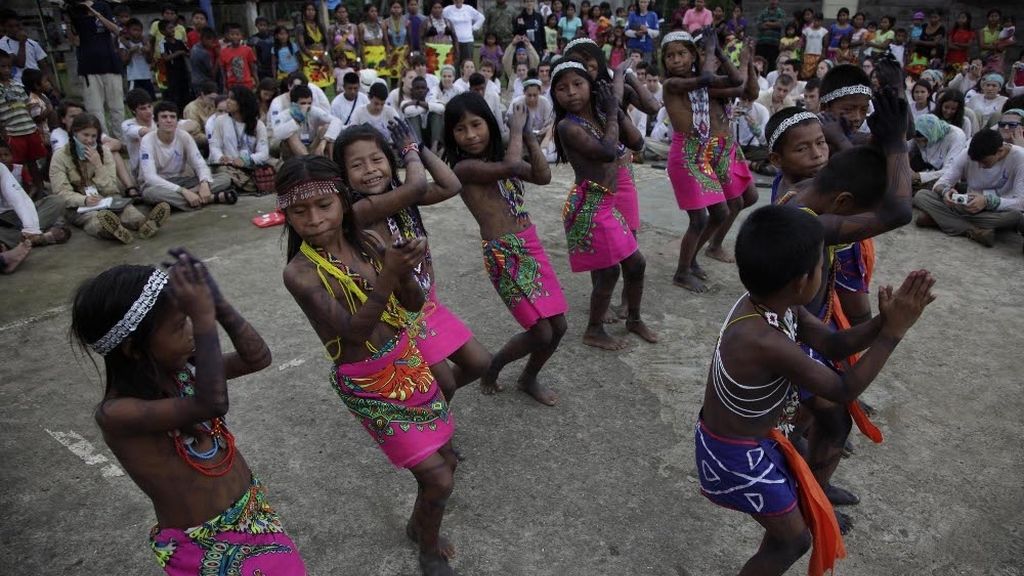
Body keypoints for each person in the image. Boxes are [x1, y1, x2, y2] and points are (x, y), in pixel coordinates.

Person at [696, 203, 934, 576]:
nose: (825, 274)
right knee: (794, 540)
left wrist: (882, 321)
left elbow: (833, 344)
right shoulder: (763, 339)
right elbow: (843, 388)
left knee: (786, 534)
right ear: (802, 281)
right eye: (823, 267)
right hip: (735, 456)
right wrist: (893, 334)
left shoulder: (774, 305)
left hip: (755, 443)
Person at [70, 254, 308, 575]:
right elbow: (211, 403)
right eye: (180, 325)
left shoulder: (185, 373)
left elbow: (257, 358)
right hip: (207, 545)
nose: (192, 332)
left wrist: (219, 303)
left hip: (252, 517)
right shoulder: (117, 413)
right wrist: (205, 318)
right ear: (133, 348)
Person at [279, 156, 457, 576]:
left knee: (445, 460)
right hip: (367, 382)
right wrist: (390, 275)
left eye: (324, 205)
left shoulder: (370, 242)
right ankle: (428, 551)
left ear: (342, 200)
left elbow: (413, 304)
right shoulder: (299, 273)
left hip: (407, 360)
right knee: (438, 479)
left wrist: (406, 266)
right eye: (300, 211)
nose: (315, 219)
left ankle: (419, 527)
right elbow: (354, 333)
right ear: (286, 215)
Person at [335, 121, 490, 403]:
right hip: (399, 317)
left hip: (429, 305)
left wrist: (419, 147)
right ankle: (433, 418)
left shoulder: (403, 198)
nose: (369, 169)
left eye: (376, 159)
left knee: (479, 363)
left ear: (389, 161)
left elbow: (451, 184)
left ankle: (425, 404)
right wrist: (410, 151)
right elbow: (417, 184)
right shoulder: (357, 212)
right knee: (445, 383)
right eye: (357, 165)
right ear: (343, 176)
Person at [443, 92, 567, 403]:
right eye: (460, 129)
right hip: (503, 254)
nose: (471, 135)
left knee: (559, 327)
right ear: (451, 135)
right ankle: (494, 366)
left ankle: (528, 378)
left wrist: (528, 136)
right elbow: (513, 165)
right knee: (540, 332)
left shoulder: (499, 160)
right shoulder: (465, 168)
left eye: (477, 124)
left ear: (488, 123)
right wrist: (515, 130)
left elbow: (543, 175)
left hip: (530, 246)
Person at [551, 59, 657, 349]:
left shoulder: (601, 114)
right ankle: (594, 329)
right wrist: (612, 110)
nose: (571, 92)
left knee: (636, 265)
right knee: (611, 271)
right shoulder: (566, 126)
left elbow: (636, 142)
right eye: (562, 88)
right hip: (588, 206)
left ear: (590, 86)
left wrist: (615, 103)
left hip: (605, 204)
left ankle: (633, 319)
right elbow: (608, 152)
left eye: (577, 84)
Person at [660, 30, 742, 293]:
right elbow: (706, 77)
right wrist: (709, 50)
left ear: (692, 55)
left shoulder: (701, 82)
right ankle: (681, 273)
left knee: (721, 212)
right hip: (684, 156)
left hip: (701, 155)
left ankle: (691, 258)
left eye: (682, 53)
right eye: (670, 56)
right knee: (697, 220)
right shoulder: (671, 84)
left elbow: (737, 80)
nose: (676, 60)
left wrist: (717, 52)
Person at [50, 112, 168, 243]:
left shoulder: (104, 152)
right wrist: (85, 200)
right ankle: (113, 231)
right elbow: (60, 193)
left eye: (93, 136)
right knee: (94, 219)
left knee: (127, 210)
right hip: (79, 206)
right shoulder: (60, 156)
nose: (89, 140)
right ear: (75, 133)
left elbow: (111, 188)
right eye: (85, 135)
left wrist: (98, 165)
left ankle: (146, 224)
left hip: (106, 198)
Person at [914, 128, 1024, 248]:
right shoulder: (966, 154)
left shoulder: (1020, 158)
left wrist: (988, 201)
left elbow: (1020, 202)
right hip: (965, 206)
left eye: (984, 162)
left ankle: (940, 220)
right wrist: (945, 192)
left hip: (996, 210)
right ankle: (973, 230)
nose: (980, 166)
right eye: (976, 162)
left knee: (1015, 216)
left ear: (1000, 151)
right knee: (922, 196)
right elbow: (941, 183)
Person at [139, 101, 234, 211]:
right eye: (164, 117)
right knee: (150, 194)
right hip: (159, 185)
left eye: (172, 117)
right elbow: (150, 177)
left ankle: (190, 200)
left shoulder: (184, 136)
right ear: (156, 121)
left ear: (177, 121)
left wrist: (204, 183)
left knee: (224, 178)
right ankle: (209, 198)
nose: (169, 120)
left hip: (183, 181)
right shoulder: (148, 140)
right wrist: (183, 191)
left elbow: (200, 164)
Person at [65, 0, 124, 139]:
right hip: (88, 66)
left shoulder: (102, 5)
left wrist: (96, 14)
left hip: (110, 63)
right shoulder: (74, 9)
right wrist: (68, 22)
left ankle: (122, 140)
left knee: (117, 106)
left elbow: (116, 30)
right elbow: (74, 41)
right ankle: (102, 140)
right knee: (94, 109)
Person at [0, 143, 68, 248]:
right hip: (2, 219)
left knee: (57, 201)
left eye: (6, 155)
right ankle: (38, 238)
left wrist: (30, 227)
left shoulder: (3, 169)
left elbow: (19, 198)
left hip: (21, 211)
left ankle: (30, 236)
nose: (3, 159)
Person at [209, 86, 272, 195]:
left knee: (275, 165)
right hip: (228, 166)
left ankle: (241, 186)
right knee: (223, 175)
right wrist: (220, 157)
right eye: (228, 97)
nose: (227, 101)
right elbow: (214, 145)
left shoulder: (258, 125)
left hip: (249, 167)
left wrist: (246, 160)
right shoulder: (221, 121)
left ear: (243, 102)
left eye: (232, 99)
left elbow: (264, 153)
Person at [0, 52, 46, 196]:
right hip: (13, 133)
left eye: (9, 67)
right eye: (2, 67)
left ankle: (40, 188)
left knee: (33, 162)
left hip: (29, 129)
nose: (6, 70)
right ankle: (24, 189)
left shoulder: (18, 86)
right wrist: (3, 133)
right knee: (18, 164)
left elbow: (27, 107)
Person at [273, 84, 342, 160]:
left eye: (309, 103)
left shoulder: (313, 110)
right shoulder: (284, 115)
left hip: (312, 145)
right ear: (293, 104)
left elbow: (337, 121)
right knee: (290, 134)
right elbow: (277, 135)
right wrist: (296, 121)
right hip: (292, 152)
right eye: (303, 103)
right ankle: (308, 161)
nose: (307, 106)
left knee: (326, 128)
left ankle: (329, 162)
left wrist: (324, 141)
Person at [908, 114, 967, 187]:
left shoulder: (956, 136)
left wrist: (919, 176)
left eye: (925, 141)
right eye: (918, 142)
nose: (922, 145)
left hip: (948, 176)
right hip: (928, 168)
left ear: (931, 135)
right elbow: (905, 149)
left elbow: (950, 171)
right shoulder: (918, 131)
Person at [400, 76, 445, 153]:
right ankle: (419, 149)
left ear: (427, 90)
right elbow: (408, 111)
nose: (420, 90)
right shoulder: (405, 103)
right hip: (415, 141)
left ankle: (435, 147)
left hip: (431, 138)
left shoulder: (432, 101)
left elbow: (442, 109)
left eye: (423, 88)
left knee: (436, 114)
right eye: (417, 88)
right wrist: (429, 107)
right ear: (412, 90)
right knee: (413, 117)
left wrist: (417, 103)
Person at [0, 11, 48, 82]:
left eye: (18, 25)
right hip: (19, 85)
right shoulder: (2, 44)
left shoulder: (32, 43)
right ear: (4, 27)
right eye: (10, 26)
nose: (15, 29)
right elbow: (20, 63)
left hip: (37, 83)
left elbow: (44, 67)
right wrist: (22, 44)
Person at [296, 2, 332, 88]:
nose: (311, 12)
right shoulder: (300, 27)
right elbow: (302, 46)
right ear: (304, 12)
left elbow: (328, 42)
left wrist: (325, 54)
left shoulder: (320, 25)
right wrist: (315, 58)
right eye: (308, 10)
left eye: (313, 10)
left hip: (323, 57)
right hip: (310, 58)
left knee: (324, 85)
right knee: (312, 85)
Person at [159, 19, 191, 113]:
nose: (172, 30)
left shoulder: (180, 42)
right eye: (169, 28)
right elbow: (165, 58)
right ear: (163, 31)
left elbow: (188, 53)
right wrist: (178, 53)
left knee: (185, 93)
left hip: (183, 71)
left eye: (173, 27)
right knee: (175, 95)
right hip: (172, 73)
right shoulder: (162, 43)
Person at [119, 18, 155, 98]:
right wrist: (130, 52)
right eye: (134, 30)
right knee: (134, 101)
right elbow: (124, 62)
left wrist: (147, 52)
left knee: (149, 99)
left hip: (146, 76)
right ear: (128, 31)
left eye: (139, 30)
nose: (137, 32)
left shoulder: (145, 42)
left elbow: (149, 60)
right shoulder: (124, 43)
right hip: (133, 77)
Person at [443, 0, 485, 66]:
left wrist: (473, 28)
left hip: (467, 41)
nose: (458, 1)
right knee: (453, 63)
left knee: (467, 63)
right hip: (452, 41)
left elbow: (481, 18)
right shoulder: (447, 10)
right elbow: (440, 20)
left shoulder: (469, 9)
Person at [220, 22, 258, 90]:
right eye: (232, 34)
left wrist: (257, 82)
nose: (235, 37)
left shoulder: (248, 50)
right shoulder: (223, 52)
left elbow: (253, 68)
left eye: (237, 34)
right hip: (232, 85)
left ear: (241, 36)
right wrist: (224, 86)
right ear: (228, 36)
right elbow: (223, 71)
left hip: (246, 84)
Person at [424, 1, 457, 73]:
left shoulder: (448, 22)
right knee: (432, 72)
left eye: (439, 8)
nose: (437, 10)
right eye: (435, 8)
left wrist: (456, 52)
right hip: (432, 53)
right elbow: (420, 38)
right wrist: (422, 53)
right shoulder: (426, 22)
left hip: (446, 53)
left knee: (447, 72)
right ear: (431, 9)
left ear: (442, 9)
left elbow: (454, 38)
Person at [755, 0, 786, 70]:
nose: (773, 1)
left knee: (772, 64)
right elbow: (759, 25)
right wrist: (774, 24)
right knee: (759, 63)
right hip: (762, 43)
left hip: (774, 43)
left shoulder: (781, 13)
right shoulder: (762, 12)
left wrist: (767, 23)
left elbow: (780, 24)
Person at [801, 14, 828, 80]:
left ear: (821, 21)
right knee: (806, 73)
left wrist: (823, 54)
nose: (816, 22)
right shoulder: (806, 30)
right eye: (815, 20)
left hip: (818, 55)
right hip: (807, 54)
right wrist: (801, 54)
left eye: (819, 21)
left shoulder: (824, 31)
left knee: (817, 72)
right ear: (812, 20)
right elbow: (803, 43)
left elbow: (825, 45)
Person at [249, 16, 275, 80]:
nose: (262, 27)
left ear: (267, 26)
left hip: (272, 65)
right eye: (260, 25)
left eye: (264, 25)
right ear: (256, 25)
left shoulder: (272, 38)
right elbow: (252, 55)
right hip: (260, 67)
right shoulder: (253, 39)